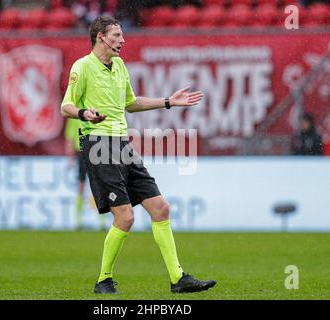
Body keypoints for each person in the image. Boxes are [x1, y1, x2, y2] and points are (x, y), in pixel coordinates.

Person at [60, 16, 216, 294]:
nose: (123, 40)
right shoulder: (82, 67)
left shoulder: (119, 65)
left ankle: (178, 279)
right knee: (125, 218)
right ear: (100, 37)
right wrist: (85, 113)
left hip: (122, 144)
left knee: (160, 208)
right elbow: (66, 106)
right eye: (117, 35)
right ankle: (103, 280)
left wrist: (168, 101)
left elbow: (131, 104)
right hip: (98, 145)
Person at [64, 117, 107, 230]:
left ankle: (102, 219)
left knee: (98, 186)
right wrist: (70, 157)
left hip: (96, 152)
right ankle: (78, 219)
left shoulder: (94, 115)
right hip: (82, 153)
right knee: (82, 185)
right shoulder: (75, 117)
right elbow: (70, 137)